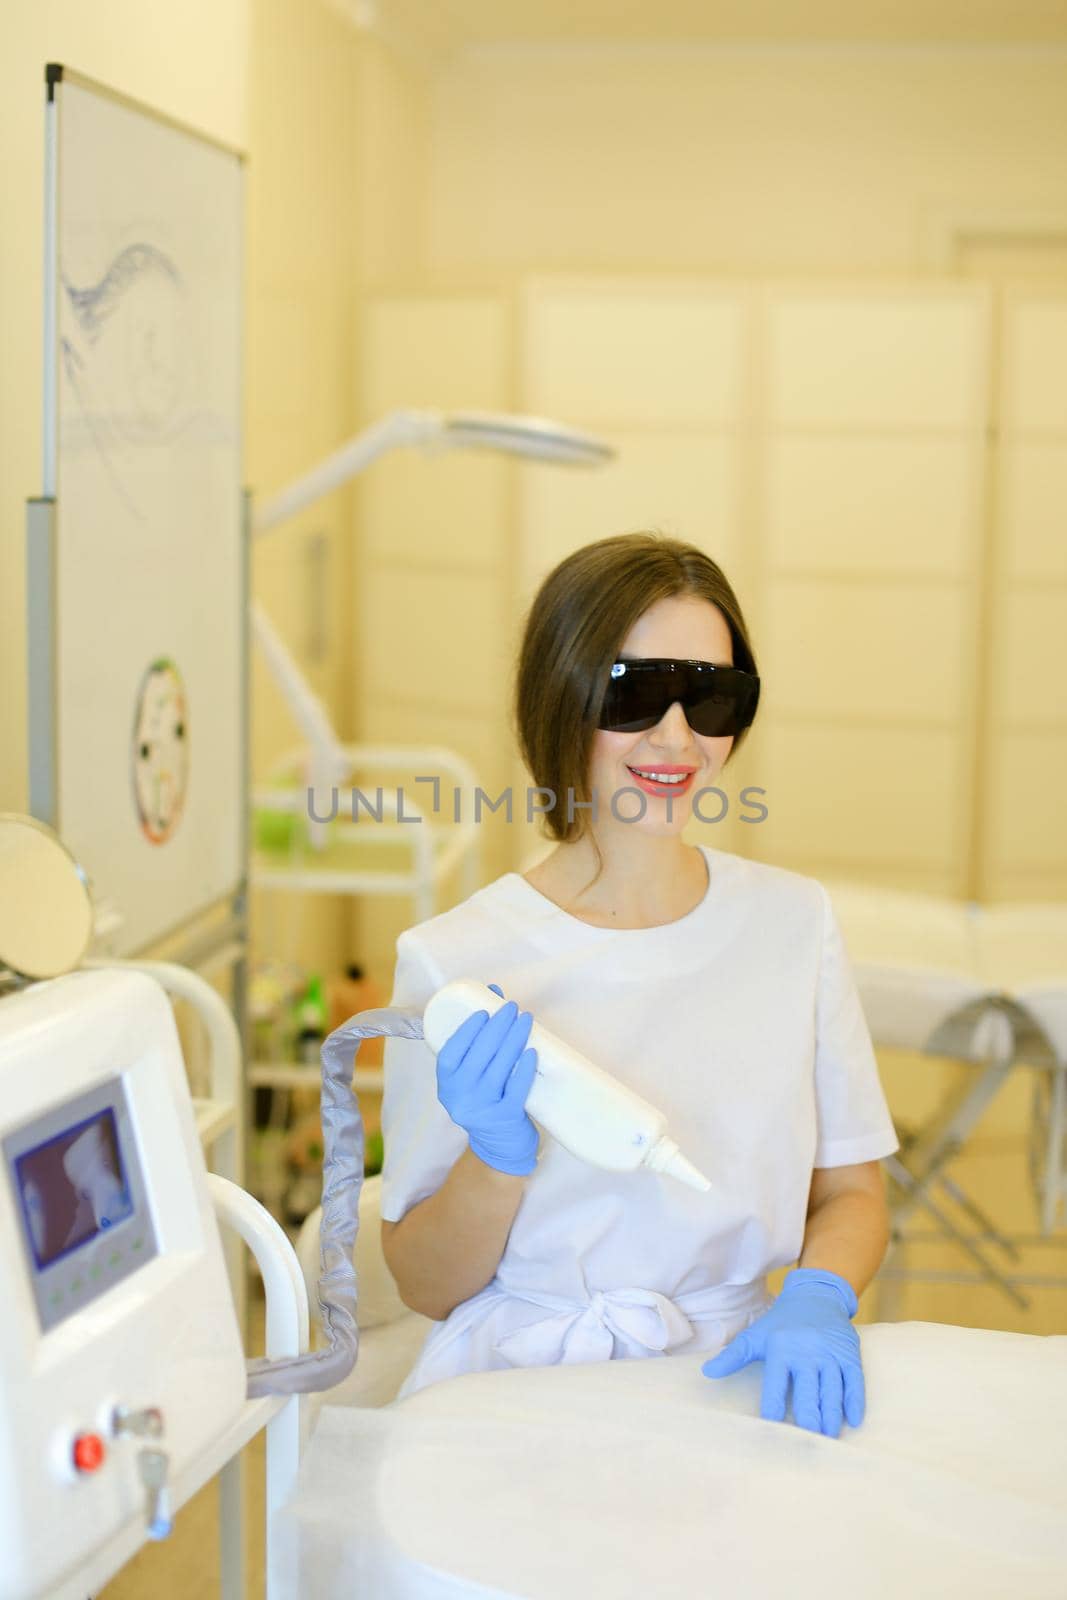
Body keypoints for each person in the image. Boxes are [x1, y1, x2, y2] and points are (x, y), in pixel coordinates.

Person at [380, 532, 899, 1437]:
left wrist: (816, 1293)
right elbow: (424, 1285)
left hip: (730, 1369)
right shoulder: (453, 962)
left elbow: (852, 1192)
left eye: (709, 697)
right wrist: (496, 1161)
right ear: (561, 694)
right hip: (517, 1388)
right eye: (635, 693)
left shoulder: (793, 923)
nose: (676, 737)